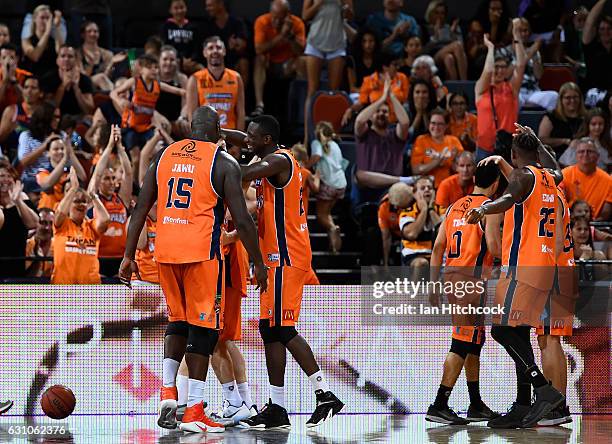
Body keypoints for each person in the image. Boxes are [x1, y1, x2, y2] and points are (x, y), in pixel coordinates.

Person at [118, 105, 267, 433]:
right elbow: (242, 220)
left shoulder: (163, 155)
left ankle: (168, 390)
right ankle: (194, 409)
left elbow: (141, 206)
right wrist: (257, 260)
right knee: (205, 329)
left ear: (189, 129)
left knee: (177, 321)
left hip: (165, 252)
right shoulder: (223, 162)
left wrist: (128, 255)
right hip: (201, 253)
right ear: (217, 131)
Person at [222, 115, 344, 429]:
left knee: (283, 329)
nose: (246, 140)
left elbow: (245, 171)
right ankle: (277, 407)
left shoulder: (278, 161)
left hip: (286, 257)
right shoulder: (271, 154)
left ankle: (324, 392)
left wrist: (220, 160)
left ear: (266, 139)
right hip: (275, 257)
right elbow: (246, 142)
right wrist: (218, 133)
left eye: (252, 137)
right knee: (269, 329)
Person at [465, 126, 565, 428]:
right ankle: (523, 405)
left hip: (523, 267)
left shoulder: (522, 176)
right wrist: (539, 142)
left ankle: (544, 390)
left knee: (502, 331)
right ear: (537, 152)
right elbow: (558, 167)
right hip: (546, 265)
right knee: (519, 334)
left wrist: (484, 209)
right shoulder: (551, 177)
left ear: (513, 155)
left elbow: (506, 199)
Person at [426, 161, 502, 425]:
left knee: (474, 341)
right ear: (495, 185)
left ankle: (475, 403)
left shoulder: (453, 206)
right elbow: (493, 245)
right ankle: (439, 404)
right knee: (461, 342)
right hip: (471, 281)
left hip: (451, 277)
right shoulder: (490, 209)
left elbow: (437, 248)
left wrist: (433, 284)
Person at [111, 54, 185, 174]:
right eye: (150, 67)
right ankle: (134, 186)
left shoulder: (158, 85)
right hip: (131, 127)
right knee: (135, 159)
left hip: (146, 127)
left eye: (156, 68)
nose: (154, 70)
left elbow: (178, 91)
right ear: (141, 69)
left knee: (158, 152)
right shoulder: (134, 82)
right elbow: (113, 93)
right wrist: (120, 100)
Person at [353, 76, 411, 203]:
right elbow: (360, 120)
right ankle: (402, 180)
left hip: (392, 189)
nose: (381, 114)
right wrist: (382, 99)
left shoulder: (395, 135)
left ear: (390, 116)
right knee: (360, 175)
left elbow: (405, 123)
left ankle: (400, 181)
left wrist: (392, 97)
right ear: (371, 114)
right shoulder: (365, 133)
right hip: (367, 187)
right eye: (377, 111)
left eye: (385, 112)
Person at [474, 22, 525, 161]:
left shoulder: (511, 88)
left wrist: (516, 35)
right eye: (497, 66)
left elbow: (521, 64)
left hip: (507, 147)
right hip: (484, 149)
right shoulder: (481, 89)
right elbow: (489, 70)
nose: (500, 70)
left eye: (503, 67)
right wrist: (490, 48)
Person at [51, 167, 110, 284]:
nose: (81, 204)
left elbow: (105, 220)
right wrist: (73, 189)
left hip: (89, 290)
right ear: (69, 205)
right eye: (76, 201)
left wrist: (93, 196)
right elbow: (60, 212)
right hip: (63, 288)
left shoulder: (92, 227)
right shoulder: (63, 225)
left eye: (83, 201)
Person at [88, 124, 132, 278]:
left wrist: (120, 147)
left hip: (120, 259)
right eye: (107, 179)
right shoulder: (93, 199)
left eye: (113, 178)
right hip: (99, 258)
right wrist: (109, 147)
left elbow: (128, 172)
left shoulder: (121, 198)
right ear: (99, 182)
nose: (111, 182)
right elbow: (98, 173)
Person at [302, 0, 352, 132]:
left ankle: (331, 134)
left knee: (334, 92)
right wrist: (319, 3)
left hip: (337, 43)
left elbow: (350, 16)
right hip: (315, 41)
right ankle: (308, 136)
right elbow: (305, 15)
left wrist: (344, 7)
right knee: (312, 90)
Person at [252, 0, 306, 117]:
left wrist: (290, 36)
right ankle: (259, 104)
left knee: (303, 61)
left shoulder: (297, 23)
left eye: (280, 19)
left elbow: (300, 51)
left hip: (288, 65)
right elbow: (259, 49)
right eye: (274, 17)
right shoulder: (262, 21)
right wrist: (281, 36)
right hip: (269, 65)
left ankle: (301, 110)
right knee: (259, 59)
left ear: (287, 15)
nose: (276, 22)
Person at [497, 18, 558, 111]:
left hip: (533, 93)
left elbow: (539, 75)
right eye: (519, 30)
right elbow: (505, 75)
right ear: (512, 32)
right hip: (513, 92)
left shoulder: (534, 51)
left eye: (525, 30)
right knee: (512, 99)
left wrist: (534, 55)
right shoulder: (503, 52)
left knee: (554, 96)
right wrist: (529, 53)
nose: (523, 34)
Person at [185, 36, 245, 130]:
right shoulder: (195, 79)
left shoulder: (236, 77)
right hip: (206, 137)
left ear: (224, 51)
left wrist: (238, 143)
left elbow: (241, 113)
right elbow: (192, 116)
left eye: (218, 47)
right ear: (204, 53)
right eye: (210, 48)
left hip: (231, 136)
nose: (215, 51)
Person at [342, 54, 409, 128]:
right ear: (385, 67)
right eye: (394, 65)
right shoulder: (369, 80)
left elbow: (405, 101)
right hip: (376, 122)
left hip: (397, 123)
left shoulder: (402, 78)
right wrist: (350, 110)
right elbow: (361, 102)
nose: (398, 67)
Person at [309, 121, 346, 253]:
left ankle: (332, 228)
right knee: (327, 213)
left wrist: (306, 165)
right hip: (341, 184)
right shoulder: (335, 145)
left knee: (321, 215)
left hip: (329, 185)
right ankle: (333, 244)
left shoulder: (316, 143)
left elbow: (317, 156)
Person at [0, 160, 38, 281]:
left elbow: (34, 224)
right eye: (1, 176)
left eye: (9, 176)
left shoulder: (22, 197)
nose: (6, 179)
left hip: (16, 262)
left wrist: (18, 202)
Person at [399, 176, 443, 274]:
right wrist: (423, 210)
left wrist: (431, 210)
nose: (427, 190)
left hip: (437, 255)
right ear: (414, 194)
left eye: (430, 188)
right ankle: (415, 290)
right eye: (422, 188)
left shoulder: (441, 210)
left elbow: (445, 234)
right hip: (414, 256)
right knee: (421, 264)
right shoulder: (407, 212)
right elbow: (412, 234)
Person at [560, 138, 611, 221]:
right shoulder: (564, 175)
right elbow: (560, 204)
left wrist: (589, 227)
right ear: (576, 155)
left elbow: (606, 213)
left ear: (597, 156)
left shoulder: (608, 180)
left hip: (596, 226)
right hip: (569, 224)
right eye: (581, 151)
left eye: (590, 151)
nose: (585, 154)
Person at [411, 107, 463, 187]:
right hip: (428, 187)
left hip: (451, 185)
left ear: (446, 126)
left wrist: (454, 161)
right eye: (433, 123)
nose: (436, 127)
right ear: (429, 124)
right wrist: (437, 161)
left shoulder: (453, 141)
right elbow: (416, 170)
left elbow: (462, 169)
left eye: (440, 124)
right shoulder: (421, 140)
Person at [201, 0, 250, 83]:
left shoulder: (237, 22)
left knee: (243, 63)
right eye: (207, 6)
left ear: (220, 4)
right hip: (214, 58)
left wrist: (237, 44)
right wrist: (230, 44)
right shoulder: (207, 25)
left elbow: (242, 45)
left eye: (210, 6)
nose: (207, 9)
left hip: (232, 58)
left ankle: (239, 94)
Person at [17, 102, 61, 193]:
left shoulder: (61, 135)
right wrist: (45, 145)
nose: (58, 120)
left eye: (59, 117)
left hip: (57, 177)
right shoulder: (27, 136)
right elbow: (23, 162)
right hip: (33, 179)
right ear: (45, 118)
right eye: (55, 117)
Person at [39, 45, 95, 117]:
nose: (66, 59)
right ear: (57, 60)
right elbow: (49, 109)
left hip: (78, 118)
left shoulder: (84, 79)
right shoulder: (48, 78)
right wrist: (63, 86)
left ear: (76, 60)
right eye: (63, 56)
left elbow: (89, 111)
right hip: (54, 118)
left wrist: (76, 88)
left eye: (70, 56)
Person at [36, 135, 86, 209]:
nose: (60, 151)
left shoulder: (69, 170)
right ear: (48, 153)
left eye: (62, 148)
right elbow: (48, 184)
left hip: (66, 209)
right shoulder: (42, 172)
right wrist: (65, 158)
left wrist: (70, 152)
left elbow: (83, 177)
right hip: (49, 211)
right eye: (56, 149)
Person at [537, 82, 585, 159]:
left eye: (575, 97)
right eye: (568, 98)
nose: (572, 101)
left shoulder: (585, 117)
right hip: (556, 157)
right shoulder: (551, 116)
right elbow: (542, 140)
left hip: (582, 156)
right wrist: (565, 141)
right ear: (561, 99)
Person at [423, 0, 467, 81]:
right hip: (434, 56)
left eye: (442, 13)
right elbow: (426, 50)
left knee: (449, 58)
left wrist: (453, 34)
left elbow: (462, 49)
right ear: (431, 13)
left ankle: (454, 88)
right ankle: (465, 82)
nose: (439, 16)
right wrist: (435, 35)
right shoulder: (426, 28)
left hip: (450, 54)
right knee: (457, 45)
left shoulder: (451, 28)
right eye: (437, 13)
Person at [77, 21, 126, 92]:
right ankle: (116, 96)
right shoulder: (77, 53)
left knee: (123, 81)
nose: (93, 34)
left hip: (104, 85)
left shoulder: (107, 54)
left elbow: (107, 78)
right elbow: (84, 79)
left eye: (95, 31)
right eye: (89, 31)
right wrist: (91, 65)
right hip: (85, 84)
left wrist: (112, 63)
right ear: (83, 34)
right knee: (100, 78)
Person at [0, 75, 44, 151]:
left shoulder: (44, 113)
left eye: (33, 88)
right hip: (12, 155)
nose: (29, 91)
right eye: (26, 87)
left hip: (37, 158)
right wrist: (7, 131)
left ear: (41, 93)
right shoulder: (11, 110)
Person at [21, 5, 65, 77]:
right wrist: (47, 32)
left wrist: (56, 27)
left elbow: (61, 54)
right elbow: (35, 56)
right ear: (34, 19)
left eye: (48, 18)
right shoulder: (27, 40)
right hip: (32, 78)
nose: (45, 21)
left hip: (51, 78)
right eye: (42, 18)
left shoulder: (54, 40)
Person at [156, 46, 189, 138]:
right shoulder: (153, 77)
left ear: (177, 61)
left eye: (172, 60)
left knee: (186, 127)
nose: (168, 63)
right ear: (159, 61)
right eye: (165, 59)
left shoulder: (182, 79)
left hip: (176, 121)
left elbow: (186, 103)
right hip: (157, 120)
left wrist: (182, 118)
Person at [378, 181, 413, 267]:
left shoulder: (417, 201)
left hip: (413, 234)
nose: (398, 209)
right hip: (395, 233)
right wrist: (386, 264)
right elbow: (386, 236)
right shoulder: (384, 207)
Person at [159, 0, 199, 73]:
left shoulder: (193, 27)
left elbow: (197, 47)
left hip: (190, 62)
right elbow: (165, 46)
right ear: (170, 10)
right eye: (176, 8)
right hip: (172, 61)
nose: (179, 11)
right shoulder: (166, 27)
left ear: (186, 8)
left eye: (182, 7)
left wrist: (192, 59)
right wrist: (180, 60)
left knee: (201, 69)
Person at [582, 0, 612, 93]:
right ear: (597, 31)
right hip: (594, 93)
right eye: (602, 29)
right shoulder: (592, 47)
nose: (605, 32)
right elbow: (589, 23)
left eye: (609, 29)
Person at [346, 29, 380, 101]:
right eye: (364, 41)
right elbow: (352, 88)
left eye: (371, 41)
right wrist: (368, 91)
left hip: (377, 94)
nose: (368, 45)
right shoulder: (352, 60)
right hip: (359, 93)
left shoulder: (381, 59)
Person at [0, 43, 33, 112]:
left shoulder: (27, 76)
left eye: (11, 58)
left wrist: (13, 80)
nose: (7, 62)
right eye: (4, 57)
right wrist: (4, 81)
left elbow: (28, 101)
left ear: (17, 59)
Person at [26, 206, 55, 278]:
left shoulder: (59, 247)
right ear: (35, 223)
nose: (47, 227)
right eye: (43, 222)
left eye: (51, 223)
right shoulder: (26, 246)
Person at [406, 78, 437, 142]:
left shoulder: (436, 111)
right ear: (412, 95)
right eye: (417, 92)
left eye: (424, 92)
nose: (421, 96)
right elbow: (406, 137)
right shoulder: (405, 109)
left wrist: (424, 113)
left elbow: (433, 136)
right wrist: (419, 113)